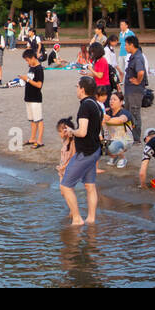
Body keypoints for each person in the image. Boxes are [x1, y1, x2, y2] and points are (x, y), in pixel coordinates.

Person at [60, 76, 103, 225]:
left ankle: (77, 219)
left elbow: (83, 132)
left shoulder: (85, 106)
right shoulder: (97, 105)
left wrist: (72, 131)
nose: (76, 89)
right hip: (95, 149)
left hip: (86, 153)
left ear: (82, 89)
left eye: (77, 87)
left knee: (65, 186)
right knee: (90, 186)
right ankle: (91, 219)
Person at [123, 36, 147, 144]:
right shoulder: (133, 56)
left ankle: (136, 138)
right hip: (130, 91)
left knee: (135, 113)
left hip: (135, 91)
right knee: (128, 112)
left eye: (126, 44)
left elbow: (141, 72)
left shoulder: (137, 57)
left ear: (132, 45)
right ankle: (129, 135)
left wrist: (137, 81)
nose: (125, 47)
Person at [20, 49, 45, 148]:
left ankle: (39, 141)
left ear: (33, 58)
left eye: (27, 60)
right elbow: (30, 79)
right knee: (32, 120)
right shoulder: (31, 67)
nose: (27, 62)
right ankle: (32, 138)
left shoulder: (39, 69)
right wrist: (24, 79)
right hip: (28, 97)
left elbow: (39, 85)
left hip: (36, 98)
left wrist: (28, 79)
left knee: (38, 119)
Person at [103, 91, 133, 168]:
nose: (111, 101)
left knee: (112, 146)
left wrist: (104, 119)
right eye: (110, 99)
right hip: (111, 138)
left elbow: (120, 120)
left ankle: (123, 158)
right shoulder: (107, 111)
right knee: (101, 144)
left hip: (125, 139)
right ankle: (114, 156)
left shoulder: (125, 113)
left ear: (121, 102)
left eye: (114, 99)